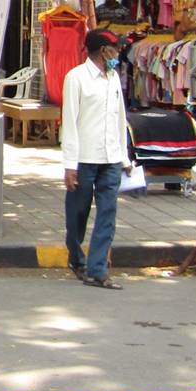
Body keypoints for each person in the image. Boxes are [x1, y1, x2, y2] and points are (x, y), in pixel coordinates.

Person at [60, 28, 131, 289]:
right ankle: (76, 258)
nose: (119, 53)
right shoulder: (76, 78)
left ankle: (97, 270)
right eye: (116, 49)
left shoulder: (113, 78)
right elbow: (69, 123)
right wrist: (69, 165)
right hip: (84, 158)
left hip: (110, 158)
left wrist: (124, 157)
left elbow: (120, 118)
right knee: (77, 213)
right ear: (104, 51)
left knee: (107, 213)